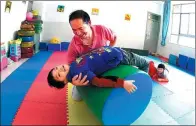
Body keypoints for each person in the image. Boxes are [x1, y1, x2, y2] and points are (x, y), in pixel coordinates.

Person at [47, 46, 150, 100]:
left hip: (113, 51)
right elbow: (99, 81)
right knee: (145, 64)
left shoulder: (73, 66)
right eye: (59, 75)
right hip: (122, 56)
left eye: (57, 68)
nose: (60, 70)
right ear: (64, 82)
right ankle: (142, 88)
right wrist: (122, 83)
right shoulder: (78, 74)